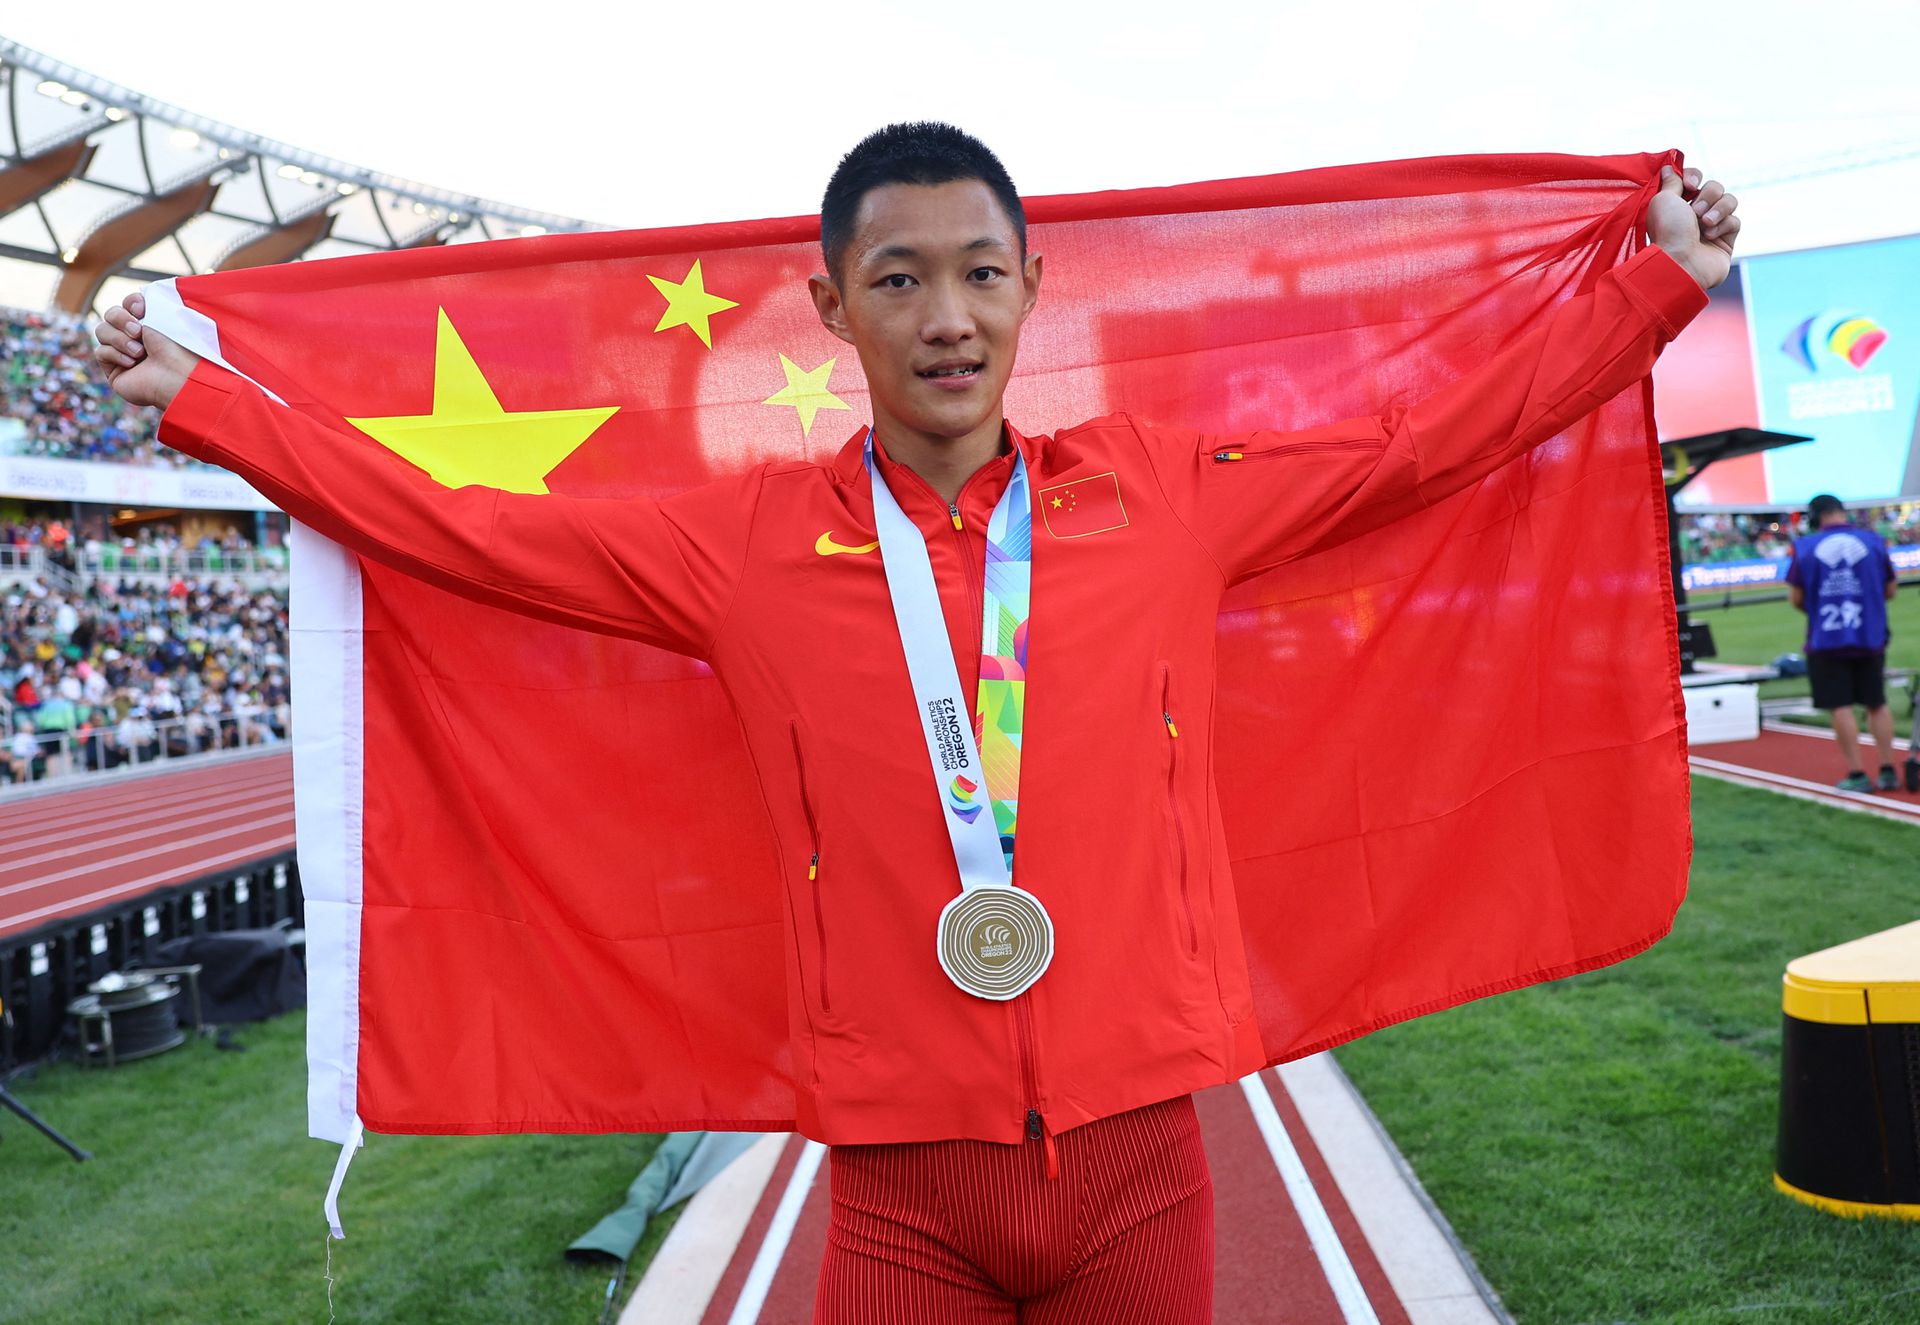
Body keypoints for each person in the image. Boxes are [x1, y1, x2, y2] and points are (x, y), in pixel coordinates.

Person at [93, 124, 1738, 1322]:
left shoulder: (1156, 499)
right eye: (900, 279)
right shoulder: (733, 549)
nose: (944, 315)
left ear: (1034, 292)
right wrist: (209, 401)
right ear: (833, 310)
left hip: (1138, 1158)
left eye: (977, 275)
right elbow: (462, 526)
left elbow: (1420, 442)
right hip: (897, 1194)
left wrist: (1655, 285)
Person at [1787, 493, 1902, 792]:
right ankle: (1889, 769)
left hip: (1827, 638)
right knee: (1877, 702)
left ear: (1815, 517)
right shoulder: (1874, 542)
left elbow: (1796, 598)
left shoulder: (1805, 547)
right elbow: (1891, 590)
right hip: (1869, 636)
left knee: (1840, 706)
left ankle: (1857, 774)